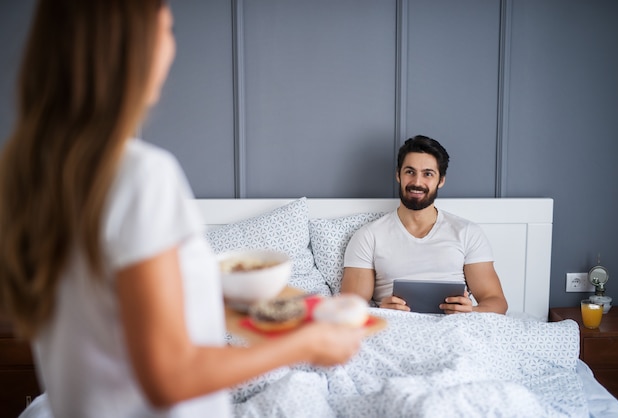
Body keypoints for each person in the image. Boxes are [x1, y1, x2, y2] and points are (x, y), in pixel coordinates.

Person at [0, 1, 364, 417]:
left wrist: (238, 302)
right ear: (133, 46)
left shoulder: (24, 171)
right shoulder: (141, 175)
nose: (172, 48)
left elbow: (107, 308)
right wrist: (306, 344)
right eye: (168, 29)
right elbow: (168, 377)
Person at [341, 135, 508, 314]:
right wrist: (382, 310)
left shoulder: (468, 233)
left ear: (441, 180)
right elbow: (348, 309)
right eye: (410, 172)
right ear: (398, 175)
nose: (417, 182)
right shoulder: (369, 236)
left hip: (456, 328)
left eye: (428, 174)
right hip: (394, 328)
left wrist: (471, 310)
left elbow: (497, 302)